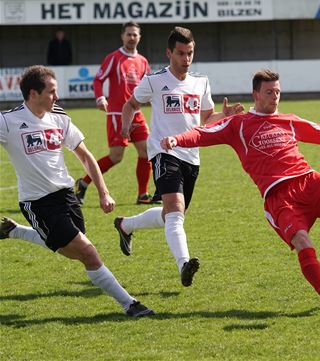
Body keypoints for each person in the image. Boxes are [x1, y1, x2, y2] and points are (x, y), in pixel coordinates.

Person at [159, 69, 320, 320]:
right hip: (279, 197)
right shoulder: (238, 124)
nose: (275, 96)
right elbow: (203, 133)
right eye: (269, 92)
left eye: (278, 92)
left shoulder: (289, 120)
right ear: (255, 94)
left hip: (309, 182)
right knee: (302, 241)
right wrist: (176, 140)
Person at [0, 65, 154, 317]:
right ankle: (130, 304)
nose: (56, 97)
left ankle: (14, 231)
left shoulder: (59, 117)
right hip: (38, 203)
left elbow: (85, 155)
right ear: (33, 93)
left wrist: (103, 192)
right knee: (88, 253)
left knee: (68, 248)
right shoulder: (8, 121)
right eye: (51, 92)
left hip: (66, 197)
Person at [113, 26, 244, 287]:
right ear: (169, 53)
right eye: (181, 53)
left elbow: (206, 118)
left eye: (190, 53)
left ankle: (125, 225)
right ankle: (184, 264)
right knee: (175, 211)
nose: (186, 59)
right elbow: (131, 104)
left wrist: (225, 114)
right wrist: (126, 127)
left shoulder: (200, 82)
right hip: (164, 152)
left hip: (191, 156)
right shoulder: (155, 80)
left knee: (172, 214)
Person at [74, 21, 158, 205]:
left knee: (146, 151)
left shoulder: (142, 61)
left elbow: (149, 86)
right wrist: (100, 98)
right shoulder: (114, 57)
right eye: (128, 34)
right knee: (116, 157)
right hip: (117, 115)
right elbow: (98, 80)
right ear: (122, 36)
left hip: (136, 114)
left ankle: (142, 195)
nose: (132, 37)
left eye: (135, 34)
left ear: (139, 37)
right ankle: (83, 183)